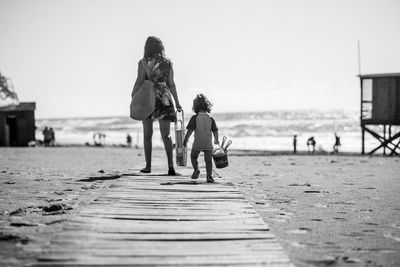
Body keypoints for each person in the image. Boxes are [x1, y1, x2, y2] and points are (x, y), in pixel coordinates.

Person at [131, 36, 182, 175]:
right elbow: (171, 84)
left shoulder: (143, 63)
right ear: (161, 47)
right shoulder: (168, 63)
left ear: (146, 47)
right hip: (164, 98)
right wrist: (177, 102)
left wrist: (133, 95)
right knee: (166, 135)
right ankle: (171, 167)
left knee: (148, 134)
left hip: (147, 97)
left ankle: (148, 167)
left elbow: (139, 81)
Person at [183, 94, 219, 183]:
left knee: (193, 157)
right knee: (208, 161)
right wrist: (216, 140)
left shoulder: (194, 118)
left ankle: (196, 169)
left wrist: (185, 140)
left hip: (198, 143)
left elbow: (190, 131)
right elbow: (215, 131)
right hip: (208, 143)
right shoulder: (210, 118)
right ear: (207, 106)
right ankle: (209, 176)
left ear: (195, 107)